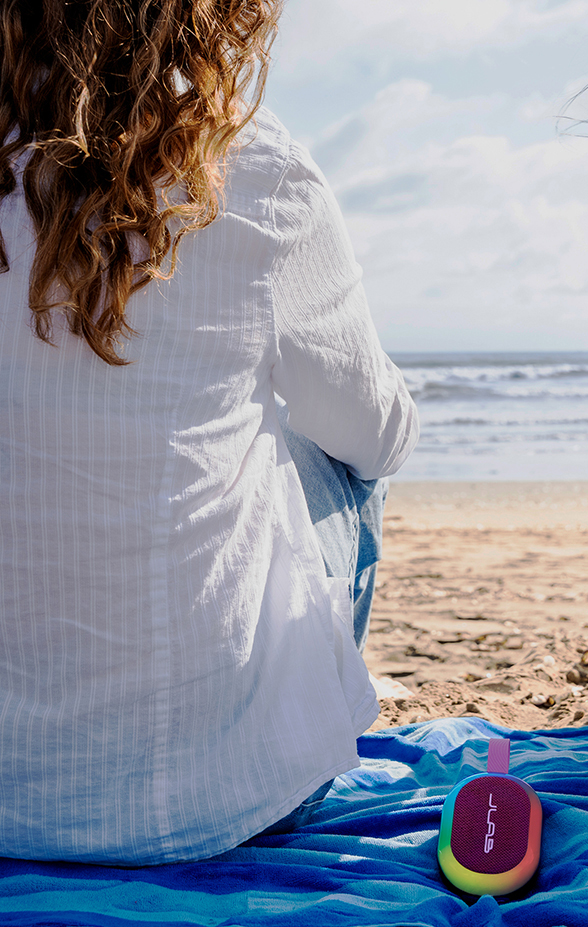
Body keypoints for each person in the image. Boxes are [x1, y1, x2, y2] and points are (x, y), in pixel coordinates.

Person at [0, 1, 418, 864]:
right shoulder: (252, 173)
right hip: (209, 804)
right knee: (335, 466)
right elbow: (377, 437)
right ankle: (285, 717)